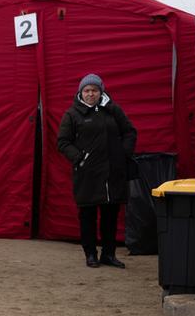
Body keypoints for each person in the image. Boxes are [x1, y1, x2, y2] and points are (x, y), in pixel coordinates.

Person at [57, 73, 137, 268]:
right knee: (88, 216)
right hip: (87, 174)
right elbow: (63, 142)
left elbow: (129, 132)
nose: (90, 94)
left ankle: (108, 254)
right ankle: (90, 254)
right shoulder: (72, 114)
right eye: (86, 90)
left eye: (94, 90)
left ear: (101, 91)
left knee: (110, 216)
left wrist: (123, 154)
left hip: (112, 173)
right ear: (80, 92)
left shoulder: (113, 110)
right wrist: (79, 158)